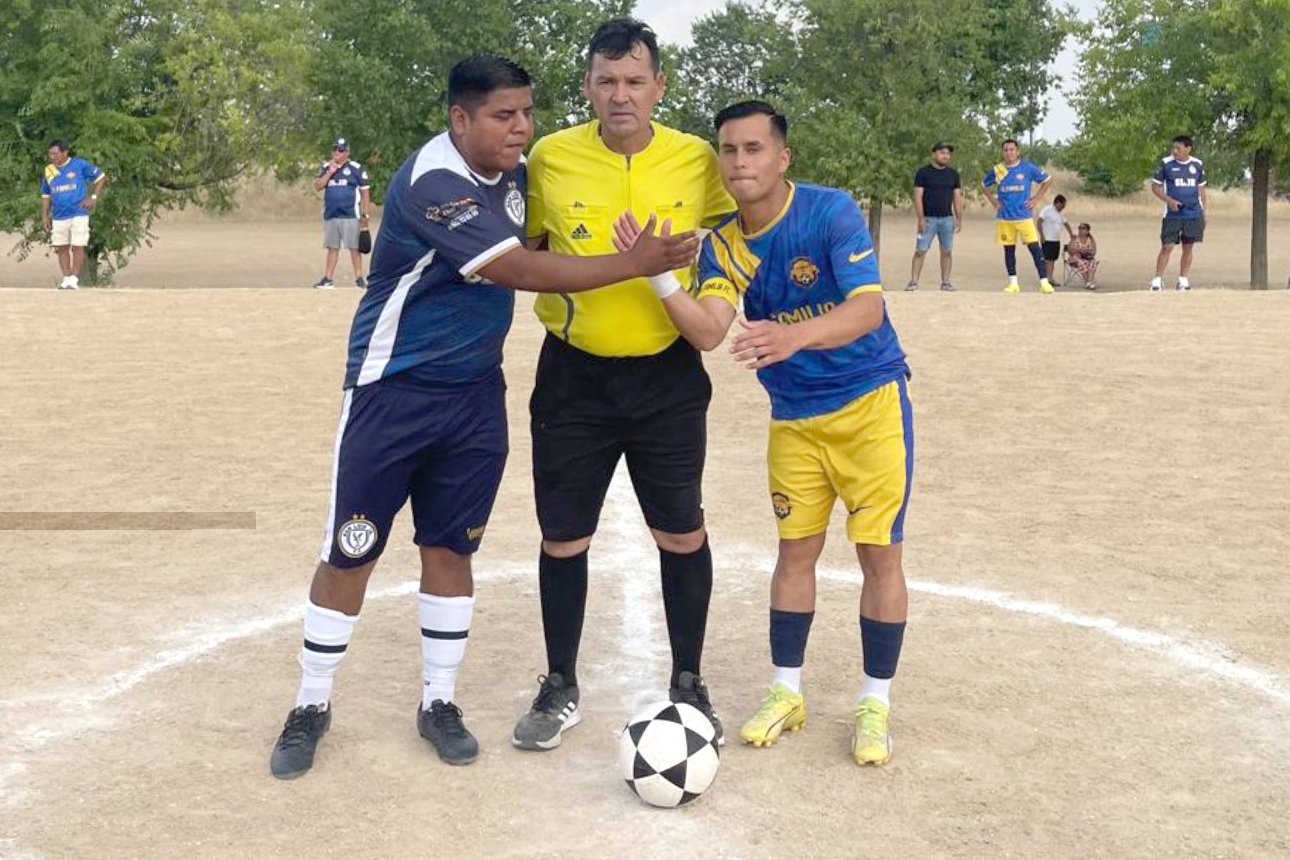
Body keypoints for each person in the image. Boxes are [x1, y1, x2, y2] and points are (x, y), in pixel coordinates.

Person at [267, 54, 699, 780]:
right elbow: (517, 269)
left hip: (474, 397)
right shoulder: (435, 181)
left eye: (528, 113)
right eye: (504, 116)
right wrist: (635, 263)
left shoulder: (521, 176)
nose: (522, 129)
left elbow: (536, 242)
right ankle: (310, 705)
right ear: (459, 118)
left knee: (451, 548)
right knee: (353, 548)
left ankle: (439, 703)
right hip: (393, 392)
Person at [613, 101, 913, 767]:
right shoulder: (723, 243)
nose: (740, 162)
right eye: (729, 150)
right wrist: (657, 274)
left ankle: (875, 702)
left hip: (869, 407)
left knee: (878, 557)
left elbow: (868, 307)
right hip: (795, 421)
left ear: (783, 158)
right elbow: (709, 329)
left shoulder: (829, 211)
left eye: (753, 149)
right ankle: (786, 692)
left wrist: (792, 335)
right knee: (794, 554)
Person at [511, 17, 736, 752]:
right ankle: (559, 683)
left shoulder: (697, 160)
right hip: (574, 376)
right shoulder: (549, 158)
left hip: (668, 377)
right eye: (606, 81)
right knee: (563, 536)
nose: (620, 96)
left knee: (680, 530)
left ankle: (690, 680)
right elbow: (530, 252)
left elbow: (732, 244)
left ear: (658, 86)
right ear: (586, 87)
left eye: (635, 81)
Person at [981, 139, 1053, 294]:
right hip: (1005, 217)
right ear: (1002, 152)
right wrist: (993, 201)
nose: (1009, 153)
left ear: (1018, 151)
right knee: (1009, 250)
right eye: (1006, 150)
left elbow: (1047, 180)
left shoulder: (1027, 168)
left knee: (1035, 249)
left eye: (1012, 149)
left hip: (1024, 216)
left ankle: (1044, 282)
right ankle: (1013, 283)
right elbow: (984, 185)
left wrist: (1036, 198)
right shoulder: (998, 170)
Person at [39, 140, 106, 290]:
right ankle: (66, 278)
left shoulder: (79, 164)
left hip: (78, 212)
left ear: (65, 152)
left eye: (55, 154)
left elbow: (101, 177)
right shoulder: (49, 170)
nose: (52, 157)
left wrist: (93, 198)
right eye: (50, 154)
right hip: (58, 215)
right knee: (61, 247)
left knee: (78, 245)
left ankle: (74, 278)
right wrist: (45, 216)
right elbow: (45, 194)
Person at [311, 138, 372, 289]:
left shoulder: (356, 169)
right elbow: (317, 186)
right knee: (332, 247)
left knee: (354, 247)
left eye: (340, 150)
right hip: (331, 214)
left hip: (350, 213)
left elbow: (365, 193)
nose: (336, 153)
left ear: (347, 152)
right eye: (335, 149)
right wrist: (329, 173)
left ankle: (359, 278)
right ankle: (328, 278)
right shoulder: (326, 167)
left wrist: (365, 215)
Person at [1149, 135, 1206, 291]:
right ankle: (1157, 279)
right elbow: (1155, 187)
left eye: (1178, 148)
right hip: (1172, 215)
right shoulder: (1166, 164)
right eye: (1173, 148)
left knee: (1188, 247)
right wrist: (1169, 201)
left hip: (1193, 214)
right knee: (1167, 246)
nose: (1175, 151)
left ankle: (1183, 279)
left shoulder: (1197, 165)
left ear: (1188, 149)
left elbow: (1201, 190)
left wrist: (1204, 213)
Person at [906, 142, 962, 292]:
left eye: (948, 154)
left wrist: (959, 218)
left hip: (947, 219)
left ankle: (945, 282)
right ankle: (913, 282)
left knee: (947, 251)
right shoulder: (923, 173)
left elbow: (957, 197)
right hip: (928, 219)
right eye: (942, 153)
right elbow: (918, 196)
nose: (945, 156)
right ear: (934, 154)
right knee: (920, 250)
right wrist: (920, 218)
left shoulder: (953, 175)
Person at [1036, 194, 1074, 283]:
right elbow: (1039, 222)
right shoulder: (1047, 210)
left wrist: (1071, 234)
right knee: (1047, 259)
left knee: (1053, 260)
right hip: (1047, 239)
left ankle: (1050, 277)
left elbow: (1066, 223)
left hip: (1056, 240)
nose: (1063, 208)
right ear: (1057, 203)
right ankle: (1046, 278)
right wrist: (1042, 235)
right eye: (1062, 205)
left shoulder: (1060, 214)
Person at [1066, 222, 1098, 290]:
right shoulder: (1075, 238)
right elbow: (1069, 250)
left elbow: (1094, 251)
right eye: (1079, 228)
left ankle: (1090, 281)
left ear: (1087, 231)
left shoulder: (1091, 240)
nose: (1080, 230)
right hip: (1075, 258)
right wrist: (1078, 250)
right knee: (1081, 262)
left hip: (1086, 257)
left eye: (1082, 228)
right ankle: (1087, 282)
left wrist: (1087, 252)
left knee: (1093, 262)